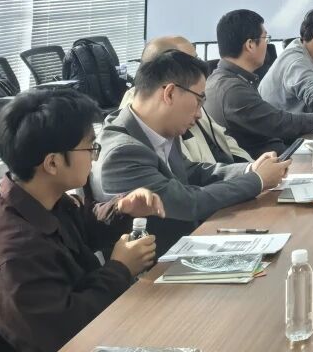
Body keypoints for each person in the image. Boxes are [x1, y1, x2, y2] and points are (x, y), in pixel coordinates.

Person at [0, 90, 165, 352]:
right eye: (90, 147)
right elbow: (65, 332)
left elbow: (81, 224)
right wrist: (120, 268)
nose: (94, 156)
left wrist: (121, 208)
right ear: (52, 163)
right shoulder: (15, 255)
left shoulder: (32, 194)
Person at [96, 50, 288, 224]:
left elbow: (191, 172)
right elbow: (186, 203)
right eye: (198, 101)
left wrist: (250, 169)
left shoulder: (159, 127)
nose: (199, 114)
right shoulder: (122, 152)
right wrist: (257, 180)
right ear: (170, 93)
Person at [205, 9, 313, 157]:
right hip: (273, 161)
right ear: (250, 45)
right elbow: (283, 123)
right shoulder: (232, 90)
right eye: (265, 38)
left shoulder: (232, 79)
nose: (267, 44)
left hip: (280, 151)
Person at [119, 36, 250, 164]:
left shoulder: (188, 95)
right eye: (192, 62)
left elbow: (223, 139)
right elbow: (188, 174)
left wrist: (250, 168)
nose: (199, 66)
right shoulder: (149, 118)